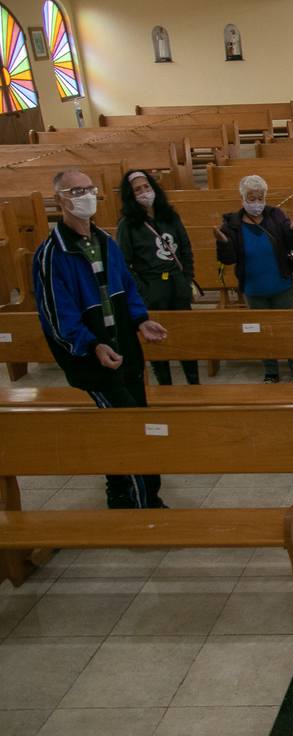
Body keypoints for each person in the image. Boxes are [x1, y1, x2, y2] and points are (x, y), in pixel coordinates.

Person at [33, 169, 169, 510]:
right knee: (129, 428)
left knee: (130, 421)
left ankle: (120, 492)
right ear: (59, 200)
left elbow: (127, 287)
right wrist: (91, 344)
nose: (85, 195)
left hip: (126, 350)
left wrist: (141, 320)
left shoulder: (106, 242)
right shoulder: (53, 254)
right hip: (93, 359)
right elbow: (56, 316)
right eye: (76, 191)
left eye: (89, 188)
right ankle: (143, 505)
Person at [213, 174, 293, 384]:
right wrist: (223, 242)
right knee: (262, 331)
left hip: (281, 284)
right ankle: (271, 372)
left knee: (287, 330)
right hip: (253, 289)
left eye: (259, 198)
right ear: (242, 198)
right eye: (251, 198)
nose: (256, 203)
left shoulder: (275, 216)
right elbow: (229, 259)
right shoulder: (232, 224)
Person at [115, 169, 199, 387]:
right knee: (158, 339)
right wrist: (144, 289)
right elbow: (124, 263)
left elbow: (186, 249)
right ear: (130, 195)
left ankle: (193, 383)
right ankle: (165, 385)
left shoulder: (169, 215)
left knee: (184, 337)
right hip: (152, 287)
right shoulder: (127, 224)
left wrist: (186, 277)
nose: (144, 192)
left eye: (147, 186)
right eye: (137, 189)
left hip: (178, 283)